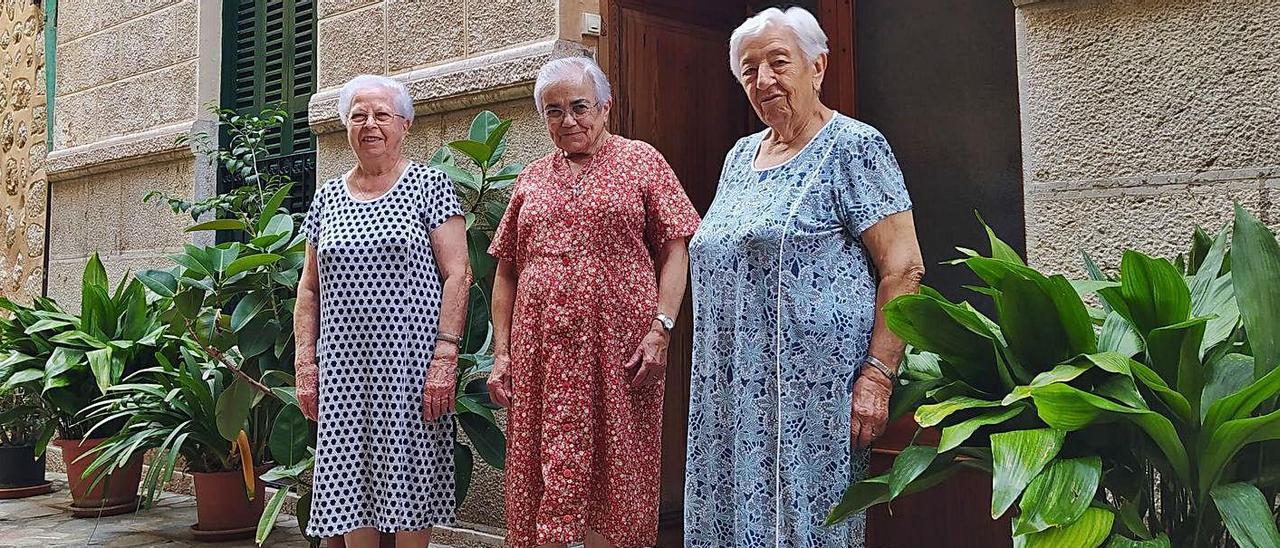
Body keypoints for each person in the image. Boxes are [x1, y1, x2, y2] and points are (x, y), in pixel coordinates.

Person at [683, 7, 926, 547]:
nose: (764, 80)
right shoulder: (739, 157)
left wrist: (878, 376)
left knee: (805, 525)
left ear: (817, 66)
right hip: (729, 388)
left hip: (813, 394)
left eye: (778, 62)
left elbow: (904, 268)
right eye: (749, 70)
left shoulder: (855, 147)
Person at [486, 56, 701, 547]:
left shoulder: (642, 161)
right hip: (542, 352)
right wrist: (502, 352)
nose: (568, 120)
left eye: (579, 107)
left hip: (619, 350)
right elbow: (506, 268)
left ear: (605, 107)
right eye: (554, 111)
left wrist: (661, 329)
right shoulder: (532, 178)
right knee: (544, 466)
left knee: (617, 466)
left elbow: (675, 250)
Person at [293, 74, 470, 547]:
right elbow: (308, 288)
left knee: (410, 481)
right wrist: (305, 365)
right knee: (348, 484)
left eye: (382, 115)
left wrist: (446, 357)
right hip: (343, 371)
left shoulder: (429, 185)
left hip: (411, 368)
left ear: (405, 125)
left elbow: (459, 273)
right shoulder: (328, 196)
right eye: (358, 115)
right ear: (346, 126)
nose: (370, 125)